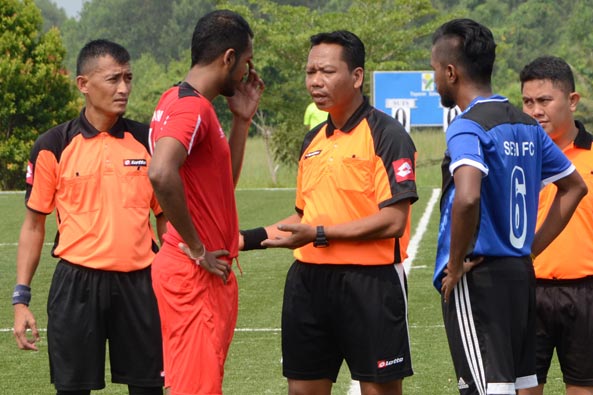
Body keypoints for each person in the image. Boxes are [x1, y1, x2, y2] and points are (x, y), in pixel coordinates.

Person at [241, 30, 418, 395]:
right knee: (303, 389)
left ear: (356, 77)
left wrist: (320, 235)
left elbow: (394, 221)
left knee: (379, 390)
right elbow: (303, 219)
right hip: (308, 284)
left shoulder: (387, 134)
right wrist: (245, 239)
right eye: (310, 72)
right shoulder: (313, 141)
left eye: (326, 72)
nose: (315, 82)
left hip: (370, 285)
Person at [430, 19, 588, 395]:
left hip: (479, 277)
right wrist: (529, 248)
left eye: (435, 70)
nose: (435, 78)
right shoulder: (525, 124)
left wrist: (454, 265)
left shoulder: (468, 126)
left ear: (451, 72)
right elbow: (574, 186)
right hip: (519, 275)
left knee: (487, 388)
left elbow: (468, 196)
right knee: (522, 385)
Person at [12, 39, 166, 395]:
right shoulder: (53, 144)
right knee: (72, 390)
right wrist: (21, 299)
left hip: (141, 285)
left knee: (149, 389)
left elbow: (165, 216)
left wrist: (172, 276)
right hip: (75, 285)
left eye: (128, 78)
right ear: (83, 84)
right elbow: (34, 224)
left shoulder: (150, 141)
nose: (124, 88)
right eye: (113, 79)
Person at [147, 9, 264, 395]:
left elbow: (220, 185)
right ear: (228, 58)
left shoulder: (193, 104)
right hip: (193, 272)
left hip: (205, 272)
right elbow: (161, 173)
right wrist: (198, 249)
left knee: (203, 384)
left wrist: (241, 122)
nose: (247, 73)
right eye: (245, 62)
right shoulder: (190, 107)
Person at [518, 56, 593, 395]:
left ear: (572, 101)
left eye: (544, 100)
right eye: (527, 101)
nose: (535, 110)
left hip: (588, 295)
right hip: (526, 291)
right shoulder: (515, 154)